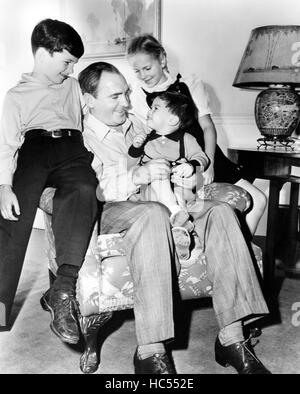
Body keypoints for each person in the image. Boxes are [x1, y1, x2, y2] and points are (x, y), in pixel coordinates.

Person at [78, 61, 272, 374]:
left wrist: (190, 169)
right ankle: (151, 350)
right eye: (115, 97)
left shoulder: (138, 123)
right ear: (89, 100)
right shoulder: (80, 137)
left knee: (221, 212)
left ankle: (232, 337)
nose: (126, 102)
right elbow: (91, 191)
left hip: (168, 200)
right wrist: (138, 175)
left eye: (126, 94)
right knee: (153, 215)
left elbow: (179, 149)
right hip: (115, 209)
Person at [0, 19, 98, 346]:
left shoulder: (72, 87)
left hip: (72, 149)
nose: (70, 70)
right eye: (66, 61)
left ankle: (63, 290)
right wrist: (4, 186)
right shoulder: (16, 95)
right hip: (32, 150)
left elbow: (94, 114)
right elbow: (7, 146)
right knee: (12, 217)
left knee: (86, 189)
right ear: (43, 54)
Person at [126, 34, 267, 237]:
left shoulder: (190, 83)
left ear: (162, 59)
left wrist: (207, 166)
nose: (143, 75)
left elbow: (208, 127)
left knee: (259, 200)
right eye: (137, 71)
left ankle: (244, 248)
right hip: (173, 161)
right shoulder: (136, 96)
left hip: (205, 154)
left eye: (147, 68)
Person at [128, 91, 210, 260]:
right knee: (159, 174)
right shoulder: (146, 139)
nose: (149, 111)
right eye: (151, 107)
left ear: (173, 119)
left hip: (177, 189)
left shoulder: (186, 139)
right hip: (151, 191)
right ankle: (177, 215)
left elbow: (202, 157)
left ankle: (180, 238)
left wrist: (191, 165)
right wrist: (135, 147)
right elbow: (130, 165)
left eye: (155, 108)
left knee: (180, 194)